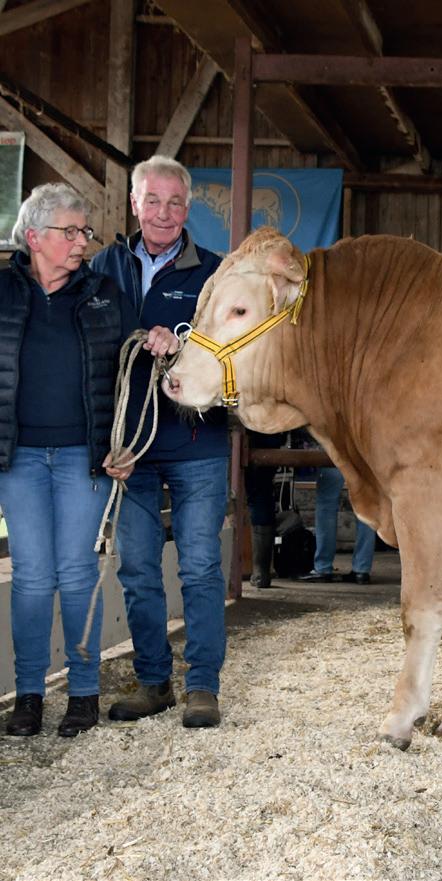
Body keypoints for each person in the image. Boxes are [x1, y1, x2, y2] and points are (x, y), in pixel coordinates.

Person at [0, 183, 174, 738]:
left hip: (85, 456)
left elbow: (133, 372)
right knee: (31, 577)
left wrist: (126, 441)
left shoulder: (103, 293)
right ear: (35, 237)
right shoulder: (2, 291)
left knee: (77, 574)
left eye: (85, 232)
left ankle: (82, 693)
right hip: (18, 458)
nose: (82, 242)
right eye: (70, 232)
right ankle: (29, 695)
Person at [91, 155, 229, 729]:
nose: (164, 213)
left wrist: (182, 346)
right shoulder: (103, 268)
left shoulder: (215, 275)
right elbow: (88, 349)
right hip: (129, 448)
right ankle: (153, 681)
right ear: (134, 204)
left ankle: (202, 686)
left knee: (199, 567)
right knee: (139, 570)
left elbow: (232, 356)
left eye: (175, 202)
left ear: (189, 208)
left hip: (197, 444)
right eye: (153, 200)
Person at [300, 466, 376, 584]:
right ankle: (361, 570)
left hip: (336, 458)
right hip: (366, 457)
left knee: (327, 503)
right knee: (366, 505)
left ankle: (323, 567)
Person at [244, 430, 286, 589]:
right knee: (262, 493)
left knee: (256, 495)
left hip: (249, 433)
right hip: (271, 432)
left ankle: (258, 571)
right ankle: (261, 572)